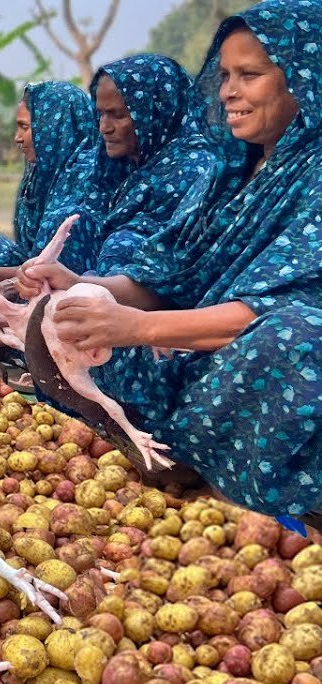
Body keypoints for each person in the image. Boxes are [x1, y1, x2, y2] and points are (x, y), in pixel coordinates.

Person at [17, 0, 321, 525]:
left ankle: (236, 488)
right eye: (224, 75)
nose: (229, 91)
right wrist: (82, 284)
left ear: (305, 80)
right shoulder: (232, 171)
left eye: (250, 75)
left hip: (259, 363)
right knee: (76, 308)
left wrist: (138, 327)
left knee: (292, 339)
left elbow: (273, 310)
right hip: (190, 350)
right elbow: (167, 275)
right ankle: (160, 443)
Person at [82, 54, 227, 274]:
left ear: (157, 111)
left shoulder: (194, 167)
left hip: (151, 296)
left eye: (118, 115)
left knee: (122, 243)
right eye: (100, 114)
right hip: (107, 287)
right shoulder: (120, 165)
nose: (104, 127)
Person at [0, 82, 101, 275]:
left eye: (25, 127)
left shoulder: (89, 174)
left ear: (54, 127)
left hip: (67, 283)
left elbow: (46, 270)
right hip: (30, 267)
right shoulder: (40, 174)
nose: (17, 137)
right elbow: (24, 252)